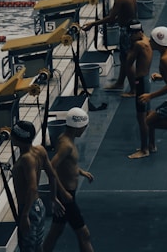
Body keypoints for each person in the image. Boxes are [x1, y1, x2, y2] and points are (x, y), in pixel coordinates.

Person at [43, 107, 95, 252]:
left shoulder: (63, 138)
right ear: (78, 127)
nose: (84, 130)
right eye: (84, 127)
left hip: (66, 194)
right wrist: (62, 193)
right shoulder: (66, 145)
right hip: (67, 196)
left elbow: (67, 164)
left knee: (55, 231)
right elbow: (52, 167)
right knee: (84, 234)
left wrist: (80, 171)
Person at [11, 120, 65, 252]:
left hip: (28, 209)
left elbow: (33, 187)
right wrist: (53, 198)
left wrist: (24, 216)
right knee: (38, 245)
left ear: (18, 138)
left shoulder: (26, 159)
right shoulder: (40, 150)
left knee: (28, 248)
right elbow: (52, 175)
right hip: (38, 206)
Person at [82, 0, 138, 97]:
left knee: (128, 61)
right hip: (133, 27)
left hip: (127, 31)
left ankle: (134, 90)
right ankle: (120, 83)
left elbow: (111, 19)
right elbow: (129, 12)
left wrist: (93, 24)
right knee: (124, 59)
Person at [125, 20, 155, 159]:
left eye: (131, 34)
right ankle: (152, 145)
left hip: (141, 82)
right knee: (149, 115)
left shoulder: (138, 45)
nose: (129, 37)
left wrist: (130, 48)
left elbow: (128, 63)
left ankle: (144, 149)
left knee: (141, 118)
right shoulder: (147, 40)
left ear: (138, 32)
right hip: (146, 80)